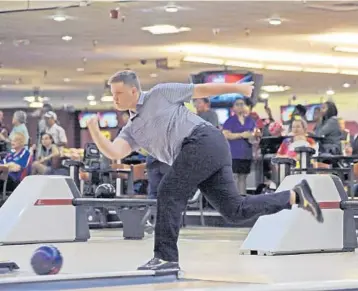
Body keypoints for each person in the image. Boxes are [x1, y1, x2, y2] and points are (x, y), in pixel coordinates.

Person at [86, 70, 324, 271]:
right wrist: (95, 132)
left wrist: (238, 89)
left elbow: (200, 90)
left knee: (169, 190)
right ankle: (295, 196)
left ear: (133, 91)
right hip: (204, 151)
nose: (114, 98)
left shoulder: (159, 93)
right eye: (112, 94)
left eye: (118, 93)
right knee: (234, 210)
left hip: (203, 139)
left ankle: (166, 257)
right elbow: (115, 152)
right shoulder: (131, 129)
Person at [222, 98, 256, 195]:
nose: (240, 106)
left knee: (243, 177)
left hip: (246, 153)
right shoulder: (230, 121)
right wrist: (241, 135)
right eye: (237, 104)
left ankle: (242, 198)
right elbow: (226, 135)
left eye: (242, 104)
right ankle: (233, 198)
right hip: (234, 154)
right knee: (234, 177)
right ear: (233, 108)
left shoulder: (250, 121)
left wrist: (252, 137)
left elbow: (254, 135)